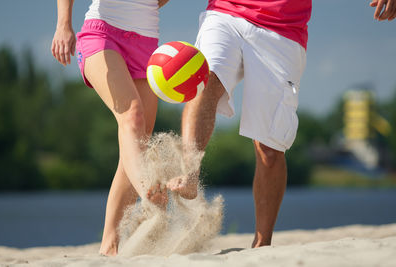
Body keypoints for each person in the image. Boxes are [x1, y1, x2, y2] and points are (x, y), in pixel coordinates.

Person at [168, 0, 396, 248]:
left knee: (269, 148)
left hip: (282, 30)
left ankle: (261, 244)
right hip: (224, 12)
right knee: (204, 80)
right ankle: (190, 172)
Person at [51, 0, 170, 256]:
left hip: (147, 42)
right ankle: (149, 190)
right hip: (101, 33)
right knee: (132, 116)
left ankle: (109, 245)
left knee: (136, 145)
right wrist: (63, 24)